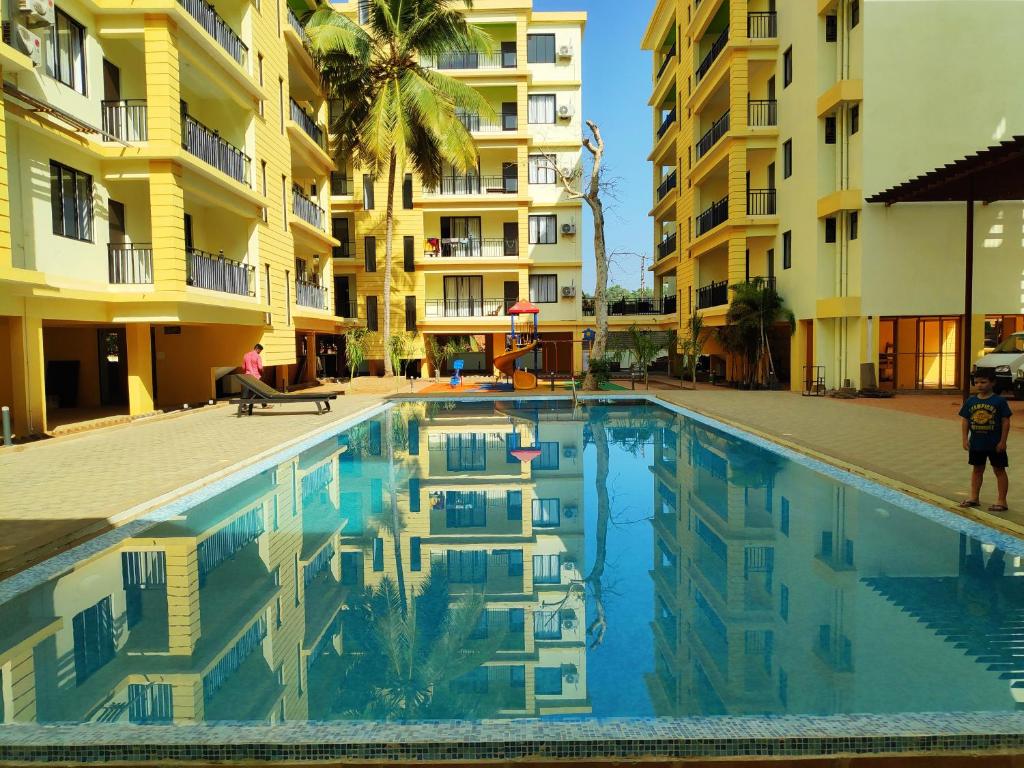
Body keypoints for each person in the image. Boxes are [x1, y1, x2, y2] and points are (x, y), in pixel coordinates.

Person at [959, 371, 1011, 511]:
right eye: (976, 382)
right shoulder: (971, 401)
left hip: (995, 444)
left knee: (999, 470)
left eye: (983, 382)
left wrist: (1003, 441)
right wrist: (965, 438)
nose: (979, 385)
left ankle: (1002, 501)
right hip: (977, 443)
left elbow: (1005, 421)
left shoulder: (999, 401)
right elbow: (965, 420)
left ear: (992, 383)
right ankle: (974, 498)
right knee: (977, 470)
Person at [241, 344, 271, 408]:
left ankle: (243, 405)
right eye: (260, 351)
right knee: (261, 390)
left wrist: (246, 372)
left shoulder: (246, 355)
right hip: (256, 376)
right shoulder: (257, 356)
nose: (260, 352)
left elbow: (243, 367)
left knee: (245, 391)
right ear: (257, 349)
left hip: (247, 375)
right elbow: (260, 367)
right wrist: (263, 371)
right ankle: (264, 404)